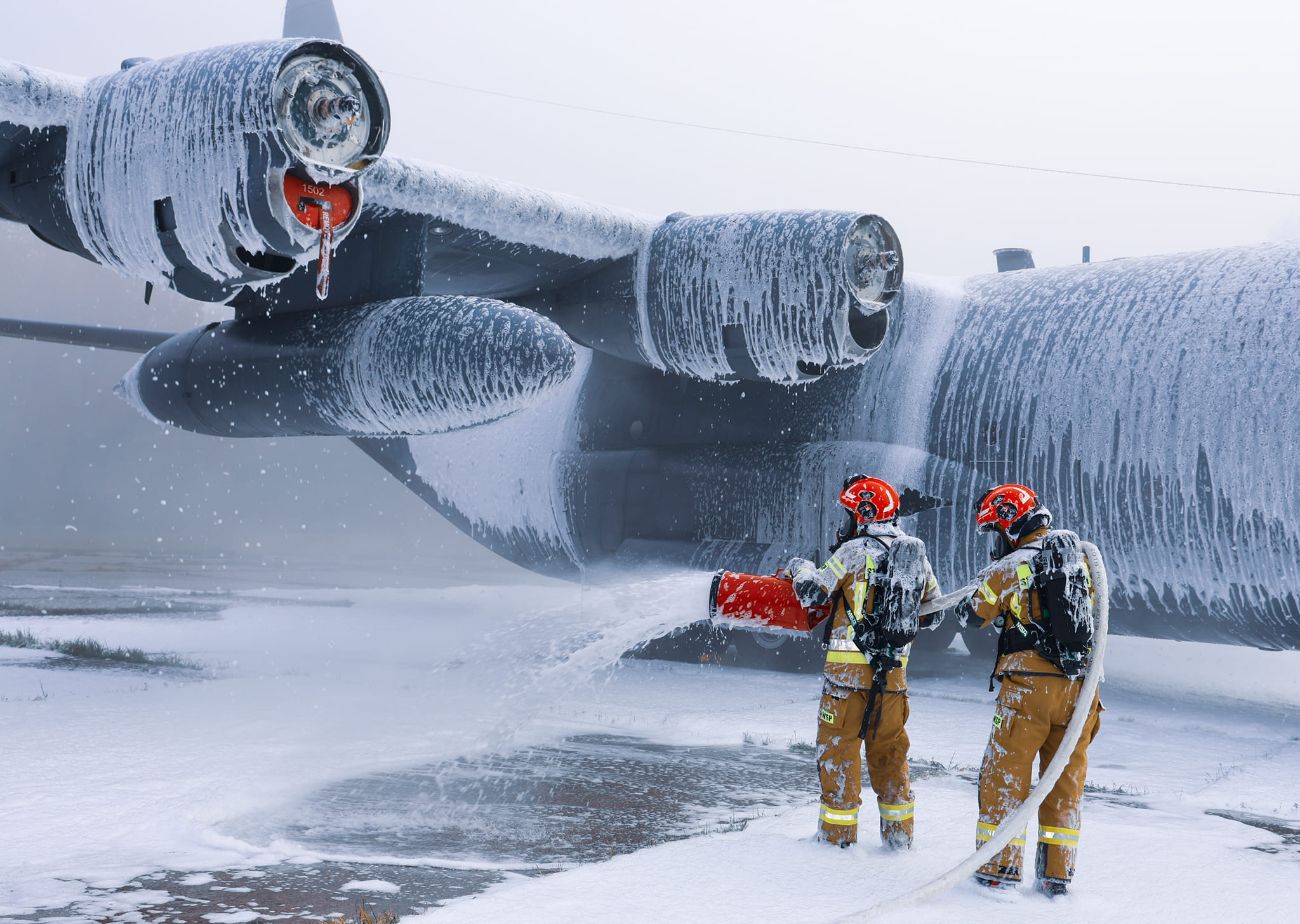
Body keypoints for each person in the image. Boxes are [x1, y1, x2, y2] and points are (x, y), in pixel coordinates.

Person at [958, 483, 1103, 897]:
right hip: (1081, 694)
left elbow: (974, 616)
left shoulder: (1011, 566)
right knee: (1064, 784)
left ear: (1008, 524)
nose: (995, 541)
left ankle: (998, 870)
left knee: (1005, 778)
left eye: (995, 532)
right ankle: (1057, 875)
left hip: (1028, 691)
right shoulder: (1081, 561)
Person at [787, 474, 943, 850]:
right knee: (890, 759)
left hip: (845, 686)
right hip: (893, 685)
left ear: (864, 514)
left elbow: (812, 593)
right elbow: (933, 614)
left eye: (849, 514)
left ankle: (837, 843)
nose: (845, 522)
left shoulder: (854, 551)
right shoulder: (915, 555)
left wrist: (799, 568)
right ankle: (899, 842)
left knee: (839, 757)